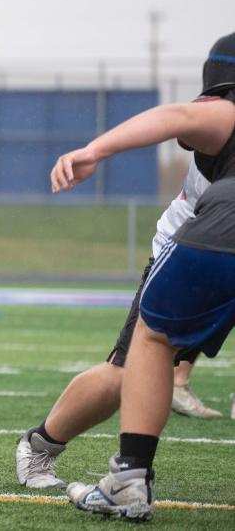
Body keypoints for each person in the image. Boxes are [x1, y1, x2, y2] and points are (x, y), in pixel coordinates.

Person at [50, 31, 235, 522]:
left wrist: (94, 150)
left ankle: (130, 478)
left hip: (222, 235)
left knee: (152, 340)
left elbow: (177, 117)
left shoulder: (223, 111)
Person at [16, 160, 219, 490]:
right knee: (129, 372)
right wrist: (97, 150)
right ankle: (41, 444)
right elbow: (178, 120)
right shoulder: (218, 114)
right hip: (191, 257)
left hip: (217, 253)